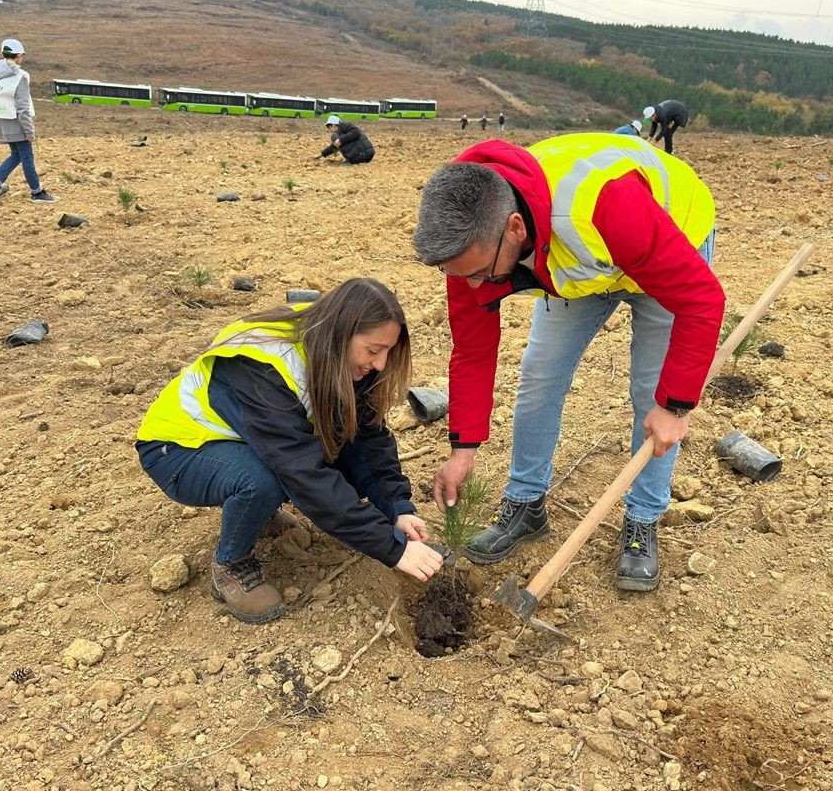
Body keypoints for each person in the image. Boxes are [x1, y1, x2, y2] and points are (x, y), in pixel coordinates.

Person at [411, 134, 724, 593]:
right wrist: (463, 450)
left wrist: (676, 406)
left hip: (666, 238)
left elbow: (702, 300)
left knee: (651, 394)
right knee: (540, 374)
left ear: (515, 229)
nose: (474, 287)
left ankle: (642, 519)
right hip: (584, 265)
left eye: (480, 274)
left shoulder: (600, 205)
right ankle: (525, 504)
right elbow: (473, 352)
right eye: (461, 276)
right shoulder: (469, 242)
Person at [135, 278, 445, 624]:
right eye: (374, 351)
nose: (382, 364)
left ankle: (260, 511)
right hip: (178, 449)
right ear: (342, 332)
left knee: (330, 452)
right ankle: (231, 564)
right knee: (266, 480)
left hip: (246, 439)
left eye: (387, 351)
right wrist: (392, 549)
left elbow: (368, 441)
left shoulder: (338, 350)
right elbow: (302, 472)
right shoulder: (263, 364)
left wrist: (396, 509)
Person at [0, 38, 57, 204]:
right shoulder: (21, 76)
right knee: (27, 156)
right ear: (19, 55)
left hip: (1, 119)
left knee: (17, 154)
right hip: (17, 121)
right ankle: (37, 192)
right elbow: (22, 107)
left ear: (2, 53)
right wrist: (29, 130)